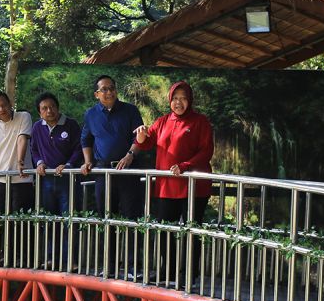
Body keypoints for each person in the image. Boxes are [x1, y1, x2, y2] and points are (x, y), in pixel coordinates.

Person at [134, 80, 214, 280]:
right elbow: (145, 143)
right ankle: (167, 271)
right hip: (166, 186)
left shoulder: (200, 121)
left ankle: (190, 274)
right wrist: (142, 136)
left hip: (193, 187)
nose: (179, 103)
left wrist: (185, 166)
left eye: (183, 98)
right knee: (164, 231)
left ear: (190, 100)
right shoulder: (161, 121)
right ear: (170, 99)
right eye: (175, 98)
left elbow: (206, 151)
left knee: (191, 230)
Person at [80, 75, 145, 219]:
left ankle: (132, 243)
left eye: (112, 88)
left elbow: (139, 138)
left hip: (129, 170)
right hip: (103, 171)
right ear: (96, 94)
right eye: (104, 89)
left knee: (132, 217)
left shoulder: (130, 110)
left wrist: (130, 155)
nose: (109, 92)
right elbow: (85, 140)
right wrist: (87, 161)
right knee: (106, 218)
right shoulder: (90, 114)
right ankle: (108, 243)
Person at [0, 91, 34, 214]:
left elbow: (22, 138)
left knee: (21, 218)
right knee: (3, 215)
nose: (1, 109)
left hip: (22, 177)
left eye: (3, 105)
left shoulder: (24, 116)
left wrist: (20, 162)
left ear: (10, 104)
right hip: (1, 178)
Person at [31, 92, 82, 215]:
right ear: (40, 113)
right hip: (46, 178)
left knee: (68, 217)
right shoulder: (37, 127)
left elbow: (79, 149)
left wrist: (68, 165)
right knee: (49, 218)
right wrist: (40, 163)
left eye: (52, 106)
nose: (49, 110)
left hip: (68, 178)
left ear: (57, 107)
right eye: (44, 108)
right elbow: (34, 149)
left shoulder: (71, 124)